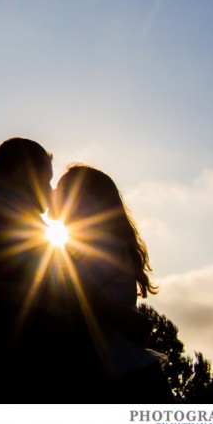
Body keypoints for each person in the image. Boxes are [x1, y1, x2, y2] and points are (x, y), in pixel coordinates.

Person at [0, 137, 71, 402]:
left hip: (24, 359)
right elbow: (48, 291)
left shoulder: (2, 212)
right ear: (23, 175)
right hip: (28, 365)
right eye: (45, 180)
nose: (49, 190)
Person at [52, 164, 173, 403]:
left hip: (123, 379)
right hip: (118, 374)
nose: (53, 194)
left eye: (61, 190)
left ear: (88, 201)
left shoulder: (98, 244)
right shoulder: (84, 245)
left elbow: (77, 298)